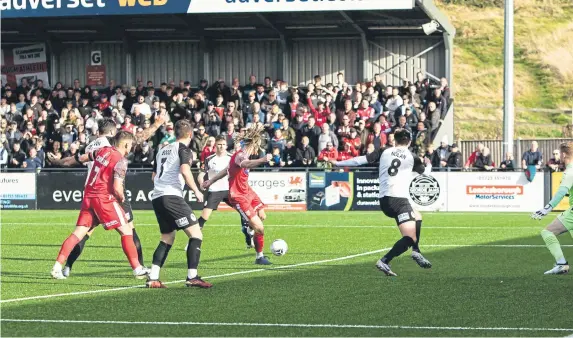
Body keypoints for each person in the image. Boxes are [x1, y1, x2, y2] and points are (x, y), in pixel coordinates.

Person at [48, 114, 166, 277]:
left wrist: (58, 162)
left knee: (79, 233)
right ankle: (138, 268)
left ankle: (60, 266)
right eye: (130, 145)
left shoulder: (97, 148)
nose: (131, 147)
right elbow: (118, 186)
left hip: (88, 194)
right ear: (114, 135)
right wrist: (121, 198)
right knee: (127, 230)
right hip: (105, 196)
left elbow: (79, 158)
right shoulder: (119, 157)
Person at [330, 129, 432, 276]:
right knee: (409, 238)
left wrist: (338, 163)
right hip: (399, 201)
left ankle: (416, 252)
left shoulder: (384, 151)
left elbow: (360, 160)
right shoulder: (413, 157)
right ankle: (385, 260)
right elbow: (425, 173)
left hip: (385, 200)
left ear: (394, 141)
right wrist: (427, 164)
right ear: (409, 142)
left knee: (417, 216)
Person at [146, 120, 210, 289]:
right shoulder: (184, 149)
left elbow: (154, 176)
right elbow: (185, 170)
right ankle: (192, 277)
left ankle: (153, 278)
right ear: (190, 134)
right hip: (171, 196)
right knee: (196, 234)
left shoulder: (162, 149)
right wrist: (196, 191)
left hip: (157, 196)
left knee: (167, 237)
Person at [203, 124, 273, 265]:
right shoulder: (241, 155)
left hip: (248, 191)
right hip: (238, 196)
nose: (257, 150)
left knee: (262, 215)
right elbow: (245, 164)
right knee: (259, 227)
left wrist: (210, 180)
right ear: (253, 144)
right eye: (257, 146)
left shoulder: (239, 155)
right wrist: (262, 160)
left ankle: (248, 228)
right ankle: (259, 257)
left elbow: (226, 170)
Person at [186, 136, 254, 250]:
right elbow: (202, 173)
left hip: (230, 190)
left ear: (226, 146)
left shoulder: (232, 158)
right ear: (215, 145)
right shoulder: (209, 159)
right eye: (219, 144)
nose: (221, 147)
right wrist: (201, 181)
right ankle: (192, 240)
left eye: (223, 144)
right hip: (215, 190)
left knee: (244, 213)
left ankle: (248, 235)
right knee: (204, 217)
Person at [532, 142, 573, 275]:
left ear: (563, 154)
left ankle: (561, 264)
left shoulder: (569, 171)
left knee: (547, 232)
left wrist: (546, 209)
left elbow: (561, 192)